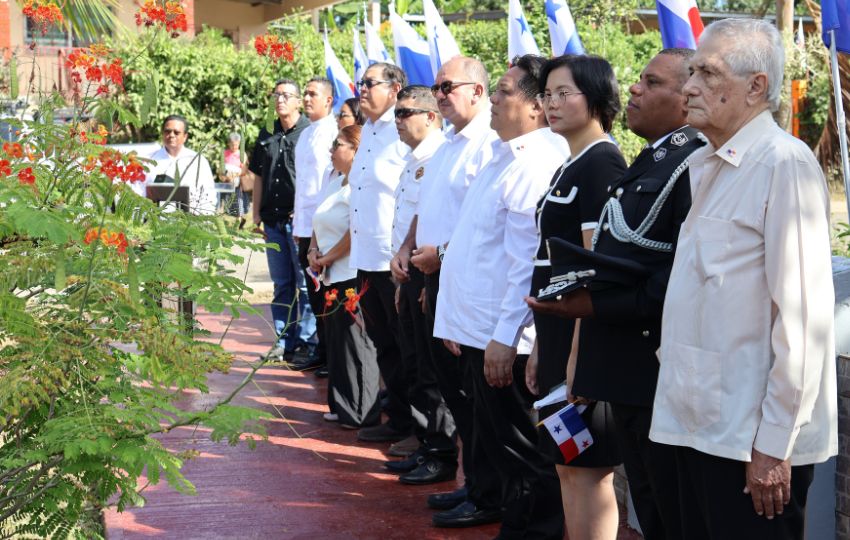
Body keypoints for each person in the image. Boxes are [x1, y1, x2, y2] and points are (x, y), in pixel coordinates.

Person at [648, 19, 837, 540]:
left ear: (756, 86)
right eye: (691, 73)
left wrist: (775, 445)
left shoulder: (783, 164)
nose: (689, 87)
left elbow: (802, 322)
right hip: (695, 428)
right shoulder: (705, 164)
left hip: (749, 444)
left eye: (707, 73)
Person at [527, 49, 703, 540]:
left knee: (650, 500)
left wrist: (579, 352)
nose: (636, 89)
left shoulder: (672, 163)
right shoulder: (654, 161)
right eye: (548, 94)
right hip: (606, 356)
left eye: (651, 82)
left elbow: (629, 272)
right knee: (640, 496)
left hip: (633, 358)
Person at [433, 54, 569, 539]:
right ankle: (514, 519)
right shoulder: (501, 156)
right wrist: (456, 323)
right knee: (496, 441)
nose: (494, 97)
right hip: (480, 328)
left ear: (536, 108)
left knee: (524, 447)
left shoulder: (535, 165)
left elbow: (524, 268)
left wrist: (505, 336)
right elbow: (477, 249)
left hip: (506, 338)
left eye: (505, 90)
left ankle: (536, 529)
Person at [523, 54, 628, 540]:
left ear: (598, 98)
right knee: (568, 465)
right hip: (557, 340)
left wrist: (576, 360)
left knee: (589, 469)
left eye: (565, 93)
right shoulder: (571, 164)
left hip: (582, 347)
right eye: (547, 94)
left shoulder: (601, 163)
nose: (552, 103)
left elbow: (593, 270)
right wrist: (543, 346)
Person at [400, 55, 501, 517]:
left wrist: (438, 257)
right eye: (436, 88)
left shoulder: (490, 144)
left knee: (474, 395)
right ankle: (477, 484)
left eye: (447, 86)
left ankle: (489, 495)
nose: (439, 94)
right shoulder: (448, 144)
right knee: (451, 387)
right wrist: (412, 248)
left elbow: (479, 221)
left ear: (478, 91)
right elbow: (430, 206)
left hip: (465, 280)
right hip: (434, 277)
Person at [383, 85, 453, 485]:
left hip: (431, 270)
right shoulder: (414, 159)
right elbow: (415, 216)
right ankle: (427, 444)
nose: (398, 119)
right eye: (397, 112)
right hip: (409, 271)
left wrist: (427, 276)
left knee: (431, 369)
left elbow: (441, 218)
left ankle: (441, 451)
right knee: (414, 363)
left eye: (406, 111)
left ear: (430, 116)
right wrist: (403, 253)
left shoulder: (440, 154)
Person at [347, 62, 414, 444]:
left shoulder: (402, 131)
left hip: (394, 259)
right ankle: (399, 420)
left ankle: (419, 431)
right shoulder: (369, 129)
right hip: (366, 257)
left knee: (406, 348)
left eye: (370, 83)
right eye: (361, 83)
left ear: (394, 88)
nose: (362, 89)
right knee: (384, 344)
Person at [308, 124, 381, 428]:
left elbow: (355, 230)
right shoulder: (336, 183)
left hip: (350, 271)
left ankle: (362, 409)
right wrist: (313, 250)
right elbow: (318, 220)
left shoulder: (360, 187)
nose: (331, 149)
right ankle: (341, 403)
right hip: (329, 273)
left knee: (356, 343)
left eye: (338, 144)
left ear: (356, 150)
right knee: (337, 343)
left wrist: (327, 257)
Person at [248, 79, 313, 361]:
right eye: (276, 95)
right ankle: (283, 340)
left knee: (304, 284)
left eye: (286, 95)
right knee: (282, 284)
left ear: (298, 101)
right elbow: (258, 176)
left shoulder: (309, 133)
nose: (280, 100)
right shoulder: (266, 134)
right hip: (273, 221)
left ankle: (309, 342)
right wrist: (255, 215)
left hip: (298, 222)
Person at [292, 77, 338, 372]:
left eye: (313, 94)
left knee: (327, 295)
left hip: (323, 230)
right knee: (313, 292)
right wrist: (299, 229)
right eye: (305, 93)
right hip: (304, 227)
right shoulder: (307, 133)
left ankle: (332, 354)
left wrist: (317, 235)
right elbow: (304, 186)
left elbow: (328, 187)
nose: (307, 98)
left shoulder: (334, 133)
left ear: (329, 100)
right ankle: (322, 350)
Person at [144, 114, 217, 216]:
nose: (171, 135)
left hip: (190, 222)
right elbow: (139, 190)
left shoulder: (197, 160)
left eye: (176, 132)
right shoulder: (149, 160)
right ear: (162, 133)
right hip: (155, 222)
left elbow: (209, 194)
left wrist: (204, 220)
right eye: (167, 131)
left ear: (185, 136)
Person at [221, 132, 250, 227]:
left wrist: (234, 175)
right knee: (229, 204)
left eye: (237, 144)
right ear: (229, 143)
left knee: (239, 203)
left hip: (238, 184)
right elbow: (221, 169)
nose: (234, 146)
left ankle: (239, 222)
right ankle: (239, 220)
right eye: (232, 144)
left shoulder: (242, 154)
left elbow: (244, 170)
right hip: (227, 183)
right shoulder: (225, 153)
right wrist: (225, 176)